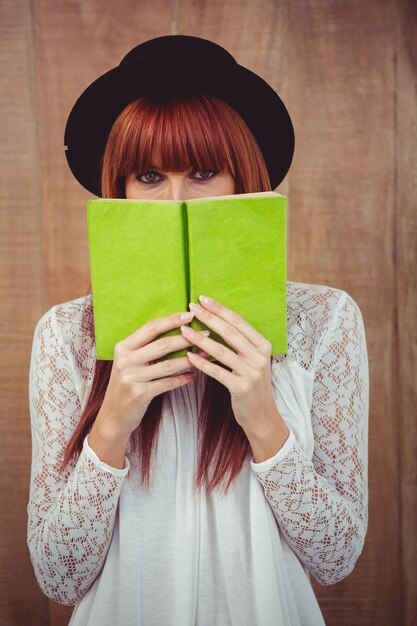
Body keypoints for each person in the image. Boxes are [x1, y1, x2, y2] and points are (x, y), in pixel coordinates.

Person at [27, 35, 369, 626]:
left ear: (244, 182)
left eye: (205, 172)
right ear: (121, 193)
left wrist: (262, 414)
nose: (175, 202)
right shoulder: (66, 335)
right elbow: (59, 577)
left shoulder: (324, 320)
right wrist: (112, 423)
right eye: (149, 176)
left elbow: (335, 558)